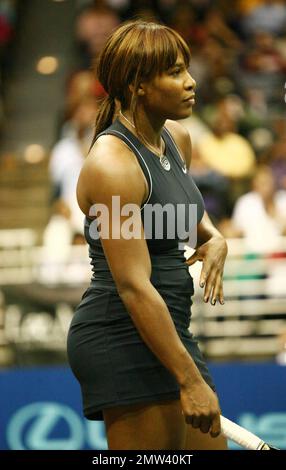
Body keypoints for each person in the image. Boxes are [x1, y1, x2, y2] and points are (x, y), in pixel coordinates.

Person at [67, 20, 228, 450]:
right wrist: (190, 381)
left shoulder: (177, 138)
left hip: (171, 331)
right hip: (121, 337)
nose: (191, 82)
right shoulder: (112, 166)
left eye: (186, 69)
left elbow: (188, 217)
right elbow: (133, 286)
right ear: (138, 85)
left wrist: (215, 238)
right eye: (175, 72)